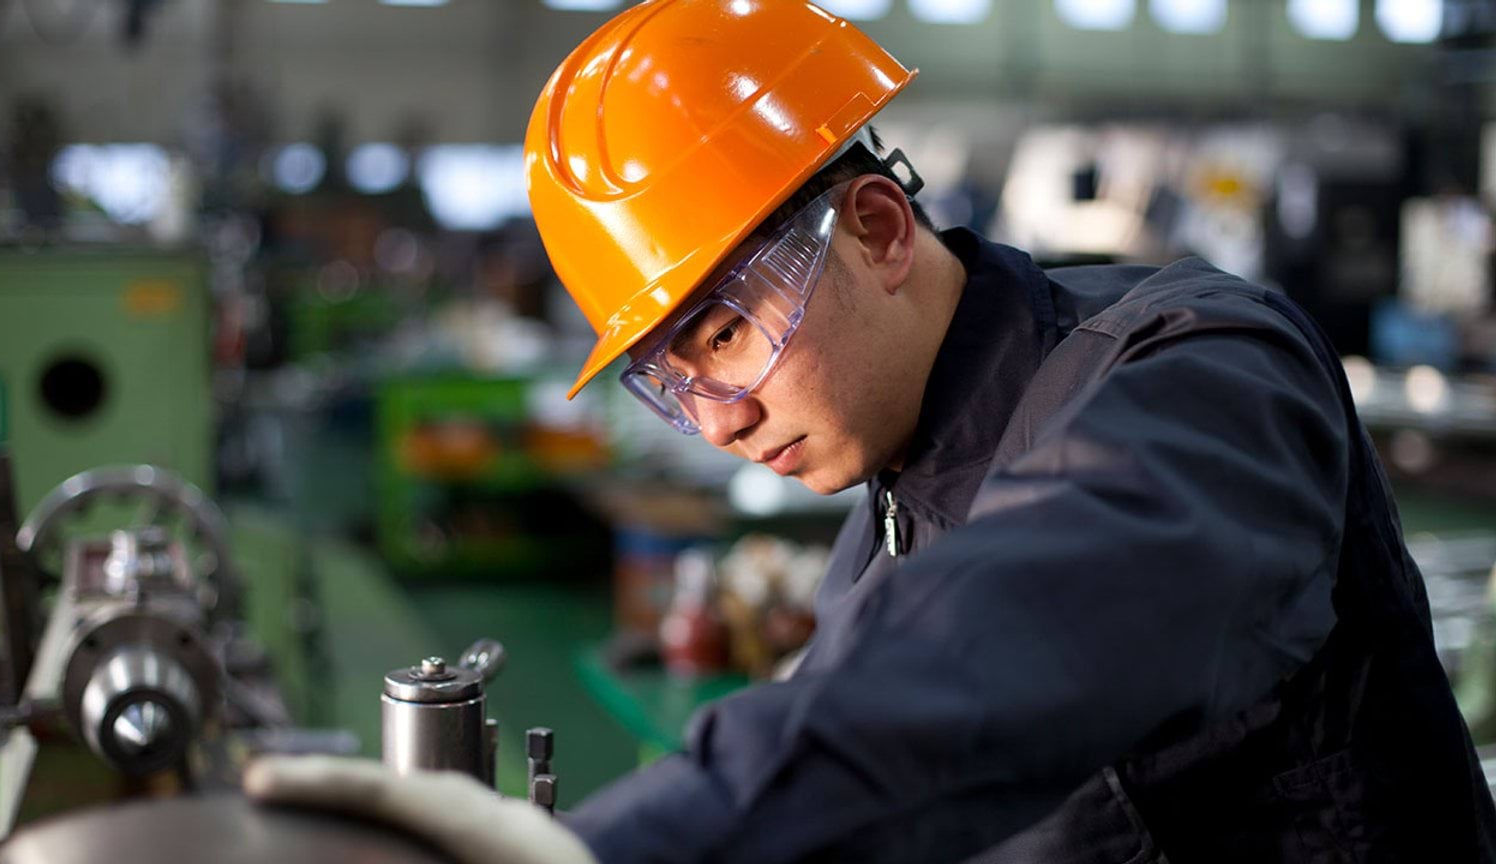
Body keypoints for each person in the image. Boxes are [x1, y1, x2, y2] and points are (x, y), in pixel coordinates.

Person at [246, 1, 1496, 861]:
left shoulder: (1203, 372)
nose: (720, 419)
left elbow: (1003, 643)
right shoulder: (877, 540)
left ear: (882, 231)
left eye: (727, 335)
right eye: (668, 381)